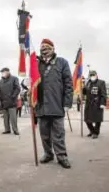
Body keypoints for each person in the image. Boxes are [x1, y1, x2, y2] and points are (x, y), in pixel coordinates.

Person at [35, 38, 73, 169]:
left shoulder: (62, 62)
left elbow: (68, 84)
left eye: (46, 46)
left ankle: (61, 155)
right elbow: (32, 82)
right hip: (41, 105)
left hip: (57, 104)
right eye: (42, 47)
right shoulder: (35, 63)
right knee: (44, 133)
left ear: (53, 48)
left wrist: (67, 102)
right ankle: (48, 153)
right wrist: (26, 84)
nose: (44, 49)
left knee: (58, 133)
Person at [83, 70, 107, 139]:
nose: (92, 76)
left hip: (97, 103)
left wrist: (103, 103)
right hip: (88, 104)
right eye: (91, 75)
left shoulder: (101, 82)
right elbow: (84, 93)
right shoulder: (88, 83)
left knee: (97, 119)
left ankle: (96, 133)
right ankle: (92, 130)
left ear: (96, 75)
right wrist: (83, 86)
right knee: (87, 119)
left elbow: (103, 94)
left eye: (93, 75)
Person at [0, 67, 21, 135]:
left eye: (3, 72)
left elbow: (17, 88)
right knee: (5, 117)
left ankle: (15, 130)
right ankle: (7, 129)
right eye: (2, 72)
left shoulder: (14, 78)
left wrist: (13, 96)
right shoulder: (1, 80)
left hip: (12, 101)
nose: (2, 73)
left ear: (8, 72)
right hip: (4, 101)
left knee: (13, 117)